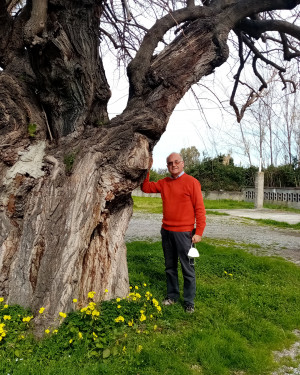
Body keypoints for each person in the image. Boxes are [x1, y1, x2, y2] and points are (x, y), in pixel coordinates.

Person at [141, 152, 206, 313]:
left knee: (187, 269)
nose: (173, 165)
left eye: (176, 162)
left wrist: (199, 232)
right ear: (167, 166)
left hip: (185, 234)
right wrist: (147, 169)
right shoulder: (164, 183)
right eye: (170, 163)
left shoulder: (192, 182)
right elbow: (145, 187)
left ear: (182, 163)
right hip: (167, 232)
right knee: (170, 267)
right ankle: (172, 296)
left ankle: (189, 301)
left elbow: (200, 209)